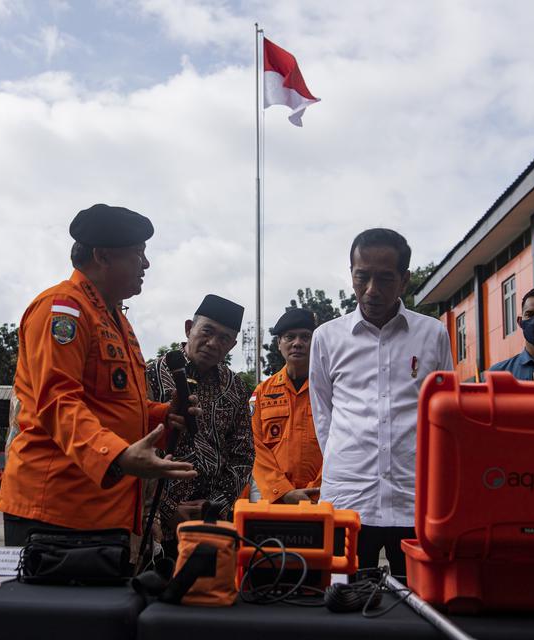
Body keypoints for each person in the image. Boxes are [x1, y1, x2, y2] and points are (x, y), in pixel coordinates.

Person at [0, 204, 197, 546]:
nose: (146, 264)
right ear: (103, 257)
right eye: (138, 254)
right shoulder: (63, 310)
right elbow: (58, 401)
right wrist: (117, 456)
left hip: (102, 507)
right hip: (57, 511)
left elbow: (111, 406)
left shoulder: (114, 319)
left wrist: (164, 417)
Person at [309, 228, 453, 578]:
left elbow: (446, 408)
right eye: (362, 277)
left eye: (385, 279)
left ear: (404, 280)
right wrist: (348, 461)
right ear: (352, 274)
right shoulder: (327, 337)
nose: (371, 290)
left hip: (414, 498)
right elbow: (323, 412)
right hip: (349, 498)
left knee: (419, 602)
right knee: (344, 598)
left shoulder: (432, 334)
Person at [146, 295, 254, 546]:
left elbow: (244, 455)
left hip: (211, 523)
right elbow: (133, 446)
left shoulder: (236, 388)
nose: (213, 343)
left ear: (232, 345)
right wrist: (167, 508)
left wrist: (214, 506)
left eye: (224, 338)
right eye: (207, 331)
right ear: (188, 328)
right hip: (154, 521)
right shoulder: (149, 376)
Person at [250, 308, 322, 504]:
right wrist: (282, 491)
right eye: (290, 337)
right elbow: (255, 446)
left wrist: (317, 490)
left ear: (316, 342)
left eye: (305, 337)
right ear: (278, 343)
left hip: (323, 499)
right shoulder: (262, 393)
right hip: (274, 501)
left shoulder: (329, 389)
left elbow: (341, 442)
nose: (297, 343)